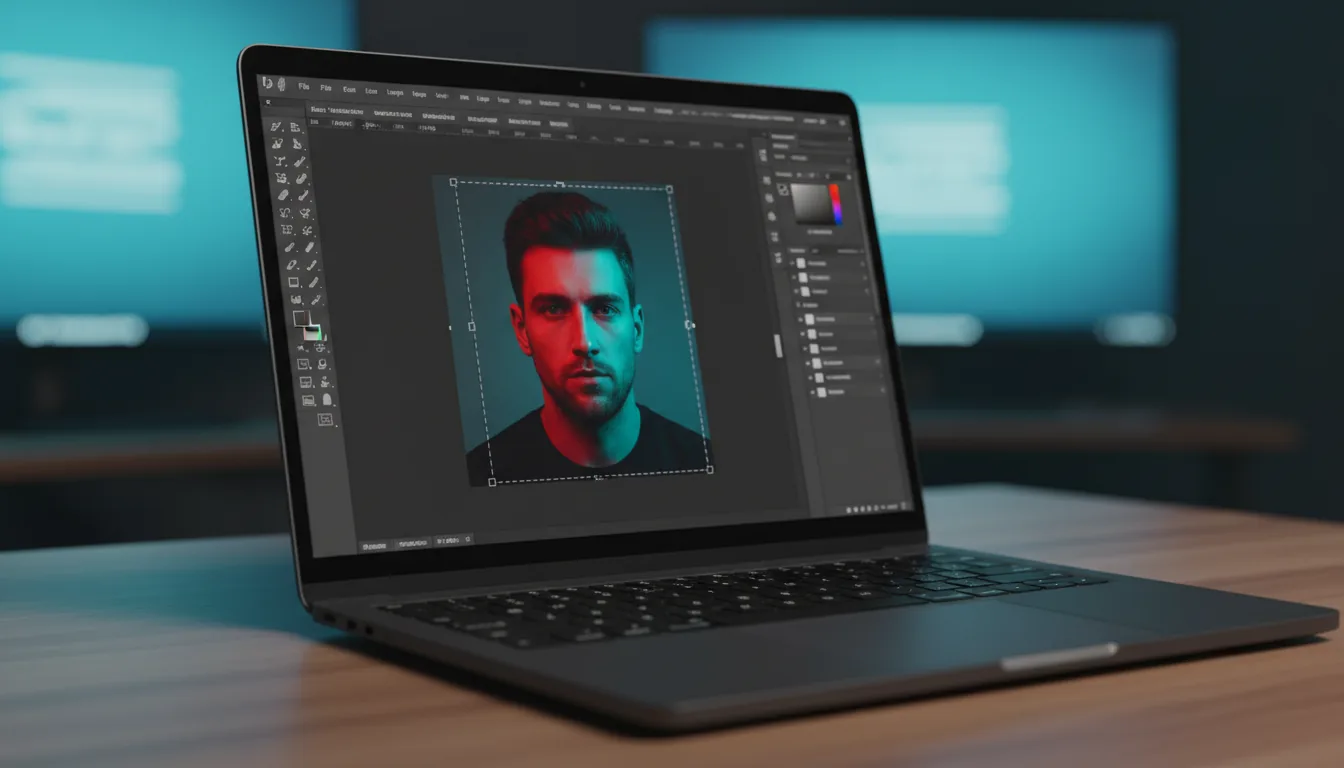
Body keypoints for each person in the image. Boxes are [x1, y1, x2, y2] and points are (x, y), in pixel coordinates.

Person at [465, 191, 708, 484]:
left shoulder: (702, 464)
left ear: (637, 329)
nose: (585, 343)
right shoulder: (479, 477)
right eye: (554, 309)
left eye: (604, 309)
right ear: (522, 330)